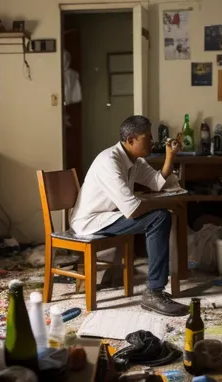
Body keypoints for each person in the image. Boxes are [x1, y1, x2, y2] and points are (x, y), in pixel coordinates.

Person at [70, 115, 188, 316]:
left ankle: (155, 289)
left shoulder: (134, 160)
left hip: (110, 215)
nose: (152, 141)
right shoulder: (110, 161)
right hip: (91, 222)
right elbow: (133, 209)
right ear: (131, 140)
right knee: (160, 217)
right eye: (147, 138)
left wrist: (170, 156)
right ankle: (154, 292)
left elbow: (156, 182)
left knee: (159, 214)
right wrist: (168, 203)